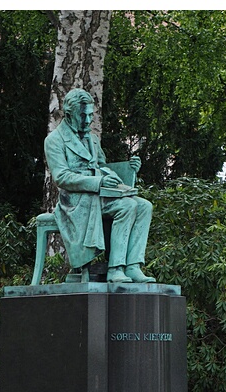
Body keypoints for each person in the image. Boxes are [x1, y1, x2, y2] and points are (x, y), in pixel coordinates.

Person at [44, 88, 155, 284]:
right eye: (83, 116)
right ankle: (115, 268)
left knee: (145, 206)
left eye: (90, 115)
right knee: (127, 206)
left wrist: (129, 169)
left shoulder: (92, 139)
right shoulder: (54, 140)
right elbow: (61, 177)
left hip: (100, 194)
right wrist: (98, 182)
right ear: (69, 115)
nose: (88, 121)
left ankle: (133, 266)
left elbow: (102, 167)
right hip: (77, 201)